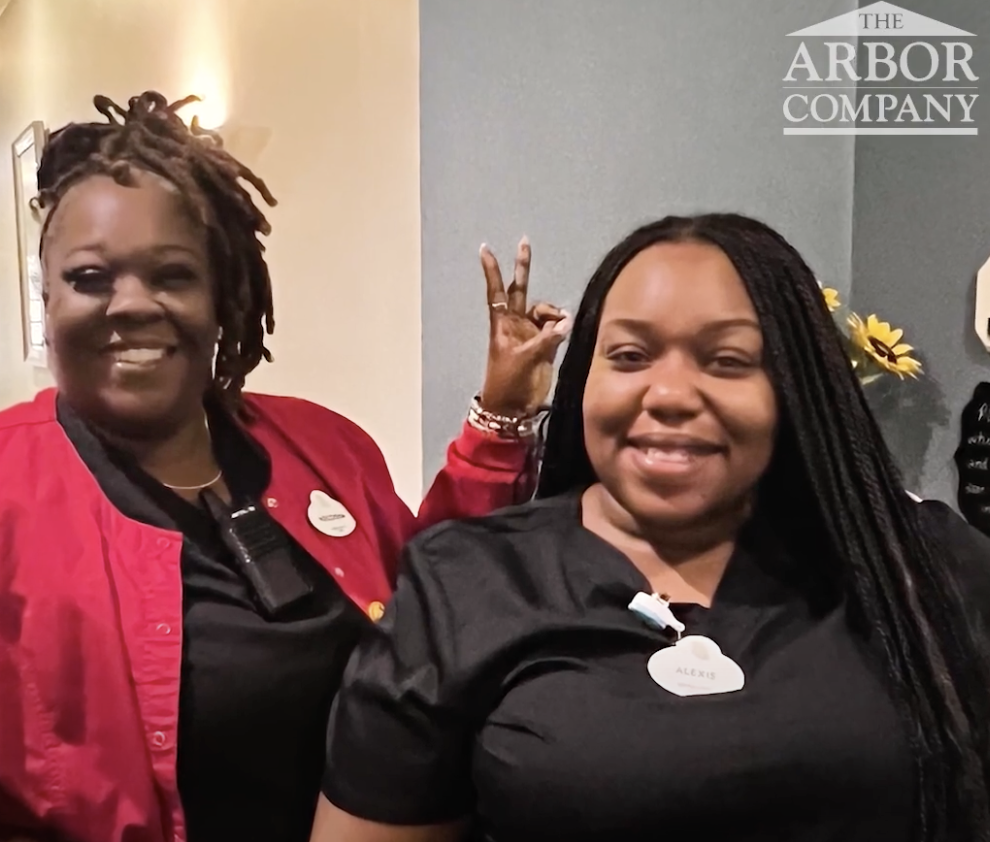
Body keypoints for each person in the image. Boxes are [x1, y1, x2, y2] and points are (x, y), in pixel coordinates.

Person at [0, 92, 571, 842]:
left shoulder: (322, 444)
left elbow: (433, 600)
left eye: (172, 275)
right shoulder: (11, 487)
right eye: (89, 277)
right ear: (45, 296)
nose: (132, 304)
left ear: (222, 296)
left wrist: (498, 425)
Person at [312, 213, 990, 842]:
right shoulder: (463, 587)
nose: (667, 395)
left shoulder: (922, 566)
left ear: (796, 387)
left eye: (726, 360)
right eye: (631, 356)